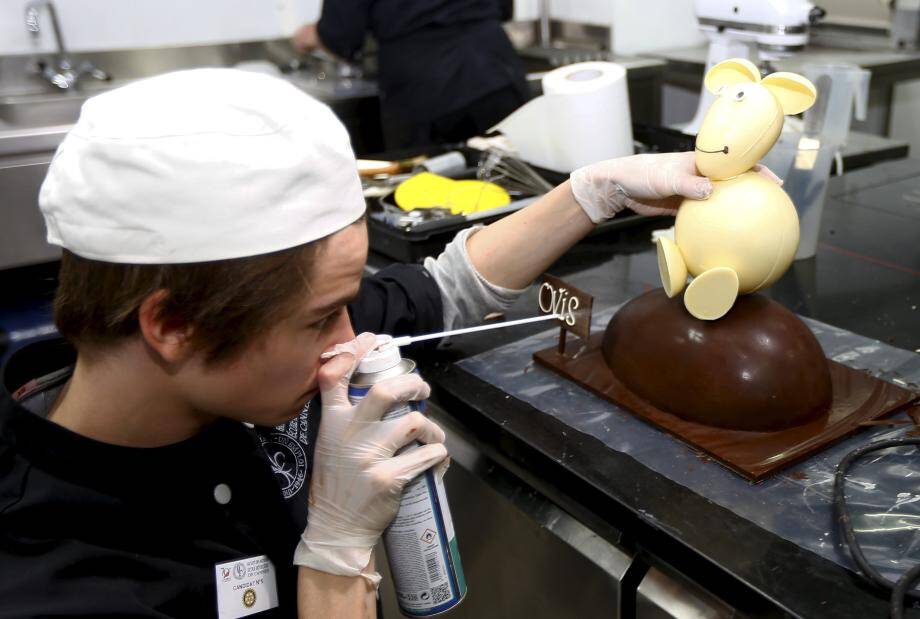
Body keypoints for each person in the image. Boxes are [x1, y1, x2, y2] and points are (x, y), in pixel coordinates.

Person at [0, 68, 771, 618]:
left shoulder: (244, 345)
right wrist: (333, 557)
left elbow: (447, 290)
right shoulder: (62, 582)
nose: (353, 337)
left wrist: (590, 193)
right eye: (321, 318)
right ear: (171, 326)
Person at [291, 0, 529, 149]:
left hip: (424, 87)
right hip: (496, 70)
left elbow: (340, 35)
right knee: (515, 184)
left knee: (428, 195)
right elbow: (504, 7)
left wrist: (311, 35)